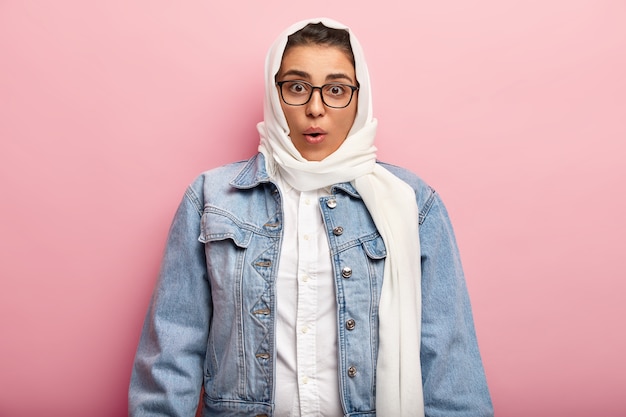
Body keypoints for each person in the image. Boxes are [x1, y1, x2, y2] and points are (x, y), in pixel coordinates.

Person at [129, 17, 493, 417]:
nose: (315, 108)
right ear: (274, 93)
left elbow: (448, 363)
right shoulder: (212, 198)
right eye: (297, 88)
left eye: (336, 89)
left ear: (360, 97)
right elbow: (172, 355)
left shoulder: (411, 202)